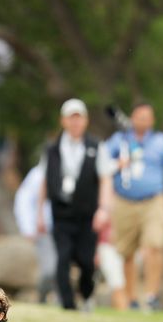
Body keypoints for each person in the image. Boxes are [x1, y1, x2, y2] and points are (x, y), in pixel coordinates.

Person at [37, 99, 114, 311]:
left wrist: (104, 209)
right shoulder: (52, 149)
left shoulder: (96, 147)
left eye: (79, 118)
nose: (75, 123)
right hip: (61, 213)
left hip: (87, 214)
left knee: (86, 262)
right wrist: (40, 214)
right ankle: (68, 305)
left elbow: (105, 180)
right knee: (62, 258)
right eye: (71, 118)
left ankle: (87, 295)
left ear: (86, 121)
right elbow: (44, 182)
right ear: (63, 121)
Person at [107, 103, 163, 311]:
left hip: (154, 200)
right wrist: (117, 165)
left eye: (146, 117)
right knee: (126, 251)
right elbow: (102, 166)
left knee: (155, 245)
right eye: (138, 117)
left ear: (152, 120)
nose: (142, 121)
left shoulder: (161, 142)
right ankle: (131, 298)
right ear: (132, 118)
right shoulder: (119, 140)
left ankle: (151, 296)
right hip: (124, 201)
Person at [13, 163, 55, 304]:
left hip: (65, 229)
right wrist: (28, 227)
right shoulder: (37, 175)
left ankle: (62, 303)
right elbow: (23, 200)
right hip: (44, 230)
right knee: (49, 269)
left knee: (62, 269)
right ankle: (42, 298)